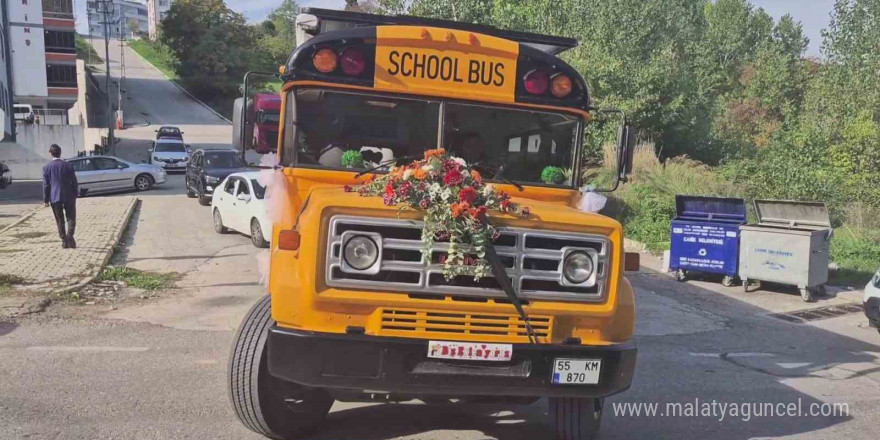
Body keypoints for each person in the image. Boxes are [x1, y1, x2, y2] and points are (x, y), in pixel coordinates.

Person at [42, 144, 78, 249]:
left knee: (59, 219)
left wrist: (46, 200)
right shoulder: (68, 165)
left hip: (54, 196)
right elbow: (74, 181)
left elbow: (46, 185)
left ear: (50, 153)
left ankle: (64, 240)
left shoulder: (47, 167)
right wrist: (76, 193)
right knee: (71, 217)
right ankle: (70, 236)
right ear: (60, 152)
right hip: (69, 195)